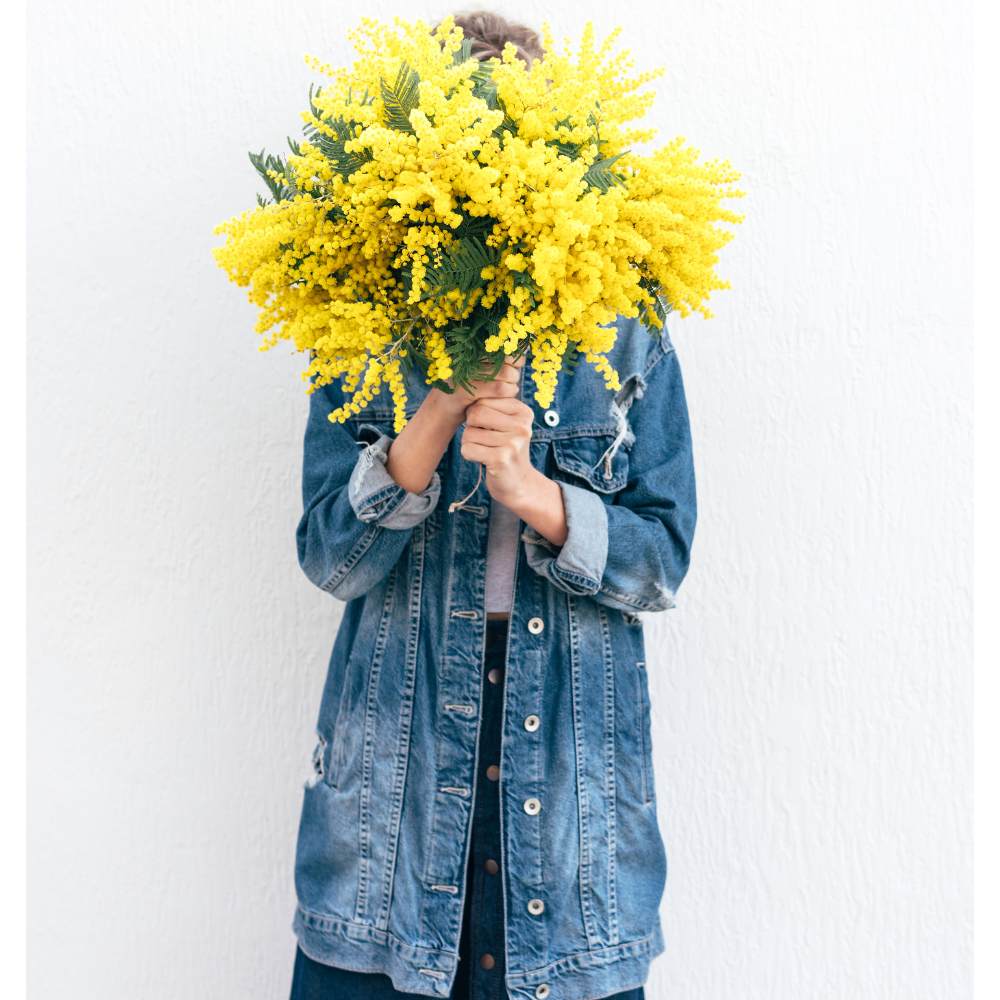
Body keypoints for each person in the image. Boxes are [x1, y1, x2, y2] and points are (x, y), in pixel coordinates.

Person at [287, 13, 697, 1000]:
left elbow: (664, 559)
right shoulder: (363, 320)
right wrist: (432, 417)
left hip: (570, 792)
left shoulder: (623, 321)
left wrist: (536, 495)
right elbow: (328, 560)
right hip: (391, 783)